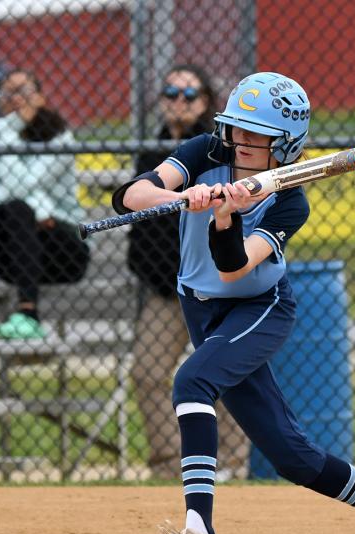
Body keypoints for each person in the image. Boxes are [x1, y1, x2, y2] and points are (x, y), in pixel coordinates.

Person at [112, 71, 355, 534]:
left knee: (191, 380)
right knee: (291, 457)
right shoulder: (206, 151)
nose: (241, 141)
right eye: (237, 128)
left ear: (284, 145)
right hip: (199, 307)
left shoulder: (290, 200)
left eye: (255, 134)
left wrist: (225, 217)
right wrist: (184, 197)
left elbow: (234, 266)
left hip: (257, 308)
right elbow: (132, 196)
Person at [128, 65, 248, 480]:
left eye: (189, 94)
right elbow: (139, 221)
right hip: (167, 288)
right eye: (170, 92)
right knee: (147, 373)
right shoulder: (152, 152)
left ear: (206, 102)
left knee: (222, 375)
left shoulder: (217, 150)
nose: (179, 101)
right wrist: (155, 275)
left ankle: (231, 464)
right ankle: (168, 464)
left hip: (217, 287)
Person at [0, 69, 90, 340]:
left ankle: (28, 314)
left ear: (40, 97)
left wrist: (12, 130)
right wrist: (32, 208)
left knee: (17, 208)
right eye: (8, 93)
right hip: (11, 252)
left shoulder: (59, 135)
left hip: (62, 247)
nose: (15, 98)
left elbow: (23, 185)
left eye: (23, 91)